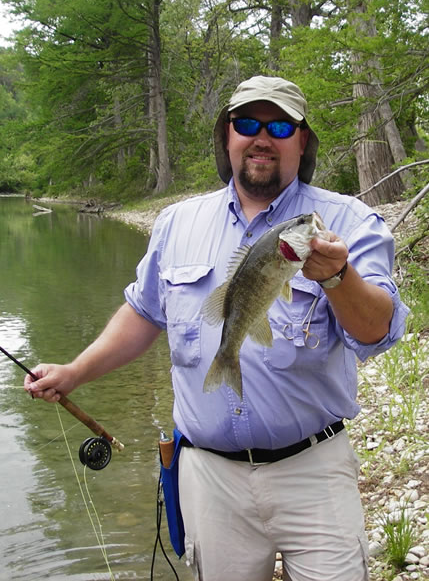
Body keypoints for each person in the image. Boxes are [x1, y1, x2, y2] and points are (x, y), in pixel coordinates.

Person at [25, 75, 409, 581]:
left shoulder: (349, 220)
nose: (262, 136)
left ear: (302, 140)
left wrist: (339, 277)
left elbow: (377, 331)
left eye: (281, 125)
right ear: (227, 136)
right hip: (209, 477)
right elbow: (144, 313)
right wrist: (75, 372)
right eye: (247, 122)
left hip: (314, 472)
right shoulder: (176, 222)